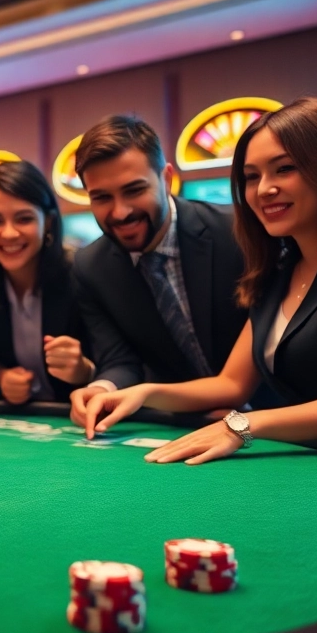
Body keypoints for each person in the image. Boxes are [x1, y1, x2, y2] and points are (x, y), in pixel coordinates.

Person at [75, 97, 317, 463]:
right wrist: (142, 393)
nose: (263, 189)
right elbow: (231, 384)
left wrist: (241, 425)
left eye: (284, 168)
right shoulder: (280, 263)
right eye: (251, 177)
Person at [67, 115, 250, 424]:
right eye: (101, 197)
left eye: (134, 190)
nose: (120, 212)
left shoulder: (239, 233)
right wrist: (101, 388)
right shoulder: (90, 267)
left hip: (281, 420)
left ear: (166, 180)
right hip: (183, 424)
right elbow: (120, 360)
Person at [0, 161, 95, 404]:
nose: (9, 233)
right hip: (18, 424)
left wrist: (84, 371)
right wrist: (2, 377)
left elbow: (120, 365)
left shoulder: (83, 275)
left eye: (23, 218)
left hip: (83, 419)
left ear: (47, 221)